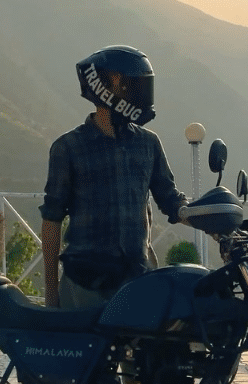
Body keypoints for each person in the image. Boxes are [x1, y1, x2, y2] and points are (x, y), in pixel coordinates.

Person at [40, 45, 189, 309]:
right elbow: (51, 219)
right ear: (105, 89)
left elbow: (171, 200)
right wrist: (51, 293)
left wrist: (213, 221)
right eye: (132, 86)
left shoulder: (148, 143)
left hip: (137, 278)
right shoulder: (68, 147)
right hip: (84, 286)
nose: (140, 94)